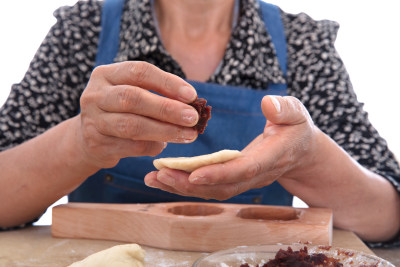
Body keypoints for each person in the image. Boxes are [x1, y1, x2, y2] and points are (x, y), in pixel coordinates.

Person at [0, 0, 399, 248]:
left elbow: (387, 215)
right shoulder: (82, 31)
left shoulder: (302, 44)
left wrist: (310, 157)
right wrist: (79, 143)